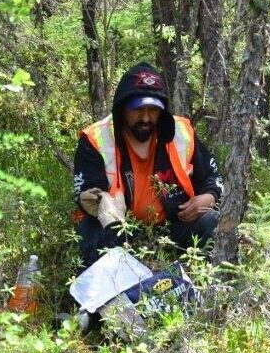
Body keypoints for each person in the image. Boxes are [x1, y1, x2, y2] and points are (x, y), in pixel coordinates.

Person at [73, 62, 223, 269]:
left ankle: (214, 289)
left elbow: (212, 177)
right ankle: (107, 298)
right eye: (138, 109)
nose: (145, 118)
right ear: (122, 108)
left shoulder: (181, 132)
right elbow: (85, 191)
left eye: (153, 110)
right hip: (120, 229)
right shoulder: (96, 138)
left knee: (214, 223)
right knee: (90, 232)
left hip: (175, 224)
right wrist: (94, 200)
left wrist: (208, 197)